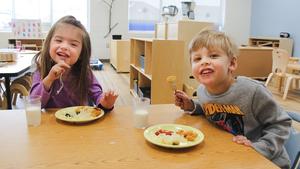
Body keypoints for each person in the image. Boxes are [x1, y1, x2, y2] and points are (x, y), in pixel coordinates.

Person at [174, 29, 292, 169]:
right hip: (231, 156)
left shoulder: (252, 91)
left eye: (213, 56)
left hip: (265, 160)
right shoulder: (201, 91)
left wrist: (259, 148)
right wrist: (192, 105)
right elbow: (210, 105)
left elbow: (281, 123)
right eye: (197, 59)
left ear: (232, 63)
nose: (204, 62)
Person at [30, 15, 118, 112]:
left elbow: (97, 96)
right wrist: (49, 79)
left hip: (80, 122)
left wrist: (106, 103)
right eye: (59, 40)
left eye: (73, 44)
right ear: (49, 43)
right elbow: (34, 104)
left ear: (81, 53)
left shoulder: (84, 72)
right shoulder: (41, 69)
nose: (64, 46)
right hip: (52, 124)